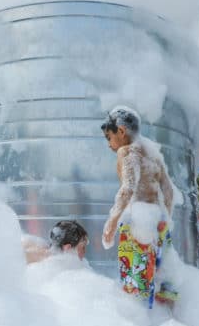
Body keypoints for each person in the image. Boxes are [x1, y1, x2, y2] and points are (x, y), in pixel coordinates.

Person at [100, 106, 177, 308]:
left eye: (109, 137)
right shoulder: (153, 154)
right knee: (163, 284)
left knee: (136, 291)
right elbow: (168, 192)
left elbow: (128, 188)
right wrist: (164, 222)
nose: (109, 144)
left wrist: (112, 222)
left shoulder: (127, 151)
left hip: (138, 224)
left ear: (121, 131)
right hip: (158, 222)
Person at [23, 220, 89, 264]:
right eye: (83, 247)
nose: (85, 251)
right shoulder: (46, 260)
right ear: (67, 248)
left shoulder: (55, 260)